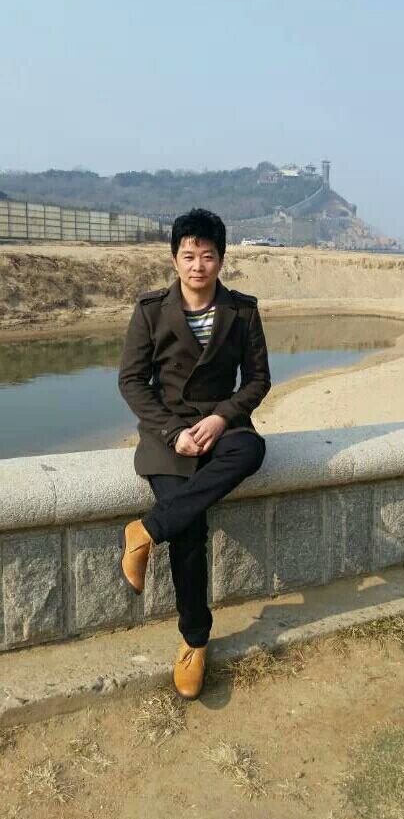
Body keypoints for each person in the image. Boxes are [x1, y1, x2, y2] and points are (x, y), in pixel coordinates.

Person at [118, 207, 271, 699]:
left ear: (221, 259)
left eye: (207, 256)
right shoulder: (150, 310)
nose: (198, 265)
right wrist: (172, 433)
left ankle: (145, 531)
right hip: (167, 432)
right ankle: (195, 641)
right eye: (189, 255)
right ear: (174, 259)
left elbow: (258, 380)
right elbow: (132, 381)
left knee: (251, 449)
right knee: (189, 528)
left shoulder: (242, 311)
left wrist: (222, 417)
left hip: (220, 424)